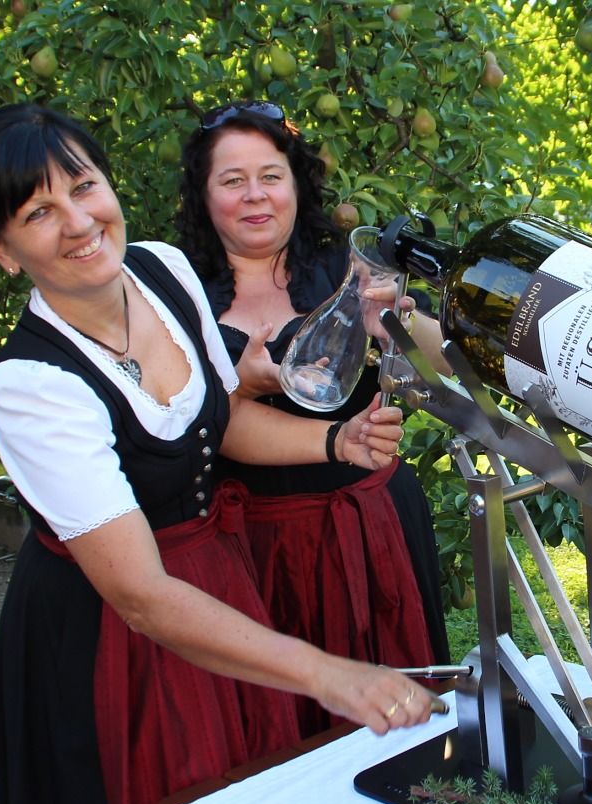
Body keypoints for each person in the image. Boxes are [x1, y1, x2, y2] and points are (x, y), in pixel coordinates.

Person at [0, 103, 434, 804]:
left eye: (84, 186)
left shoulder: (160, 270)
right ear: (1, 250)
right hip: (112, 640)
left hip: (220, 583)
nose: (78, 222)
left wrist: (334, 442)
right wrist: (326, 674)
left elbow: (220, 418)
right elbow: (140, 594)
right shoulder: (31, 385)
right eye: (38, 213)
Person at [176, 101, 452, 735]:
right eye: (232, 180)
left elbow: (440, 361)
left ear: (296, 185)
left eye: (271, 176)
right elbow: (187, 423)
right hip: (254, 547)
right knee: (283, 728)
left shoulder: (345, 269)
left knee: (396, 723)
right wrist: (236, 386)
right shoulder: (179, 295)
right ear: (204, 195)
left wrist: (400, 322)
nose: (255, 195)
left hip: (370, 526)